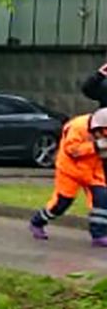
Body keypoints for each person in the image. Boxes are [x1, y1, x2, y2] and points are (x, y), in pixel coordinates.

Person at [30, 106, 107, 247]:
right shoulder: (77, 127)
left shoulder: (100, 128)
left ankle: (99, 235)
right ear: (97, 127)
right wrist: (95, 146)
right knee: (61, 203)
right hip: (70, 170)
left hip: (93, 171)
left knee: (102, 200)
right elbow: (72, 151)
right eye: (103, 133)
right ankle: (37, 222)